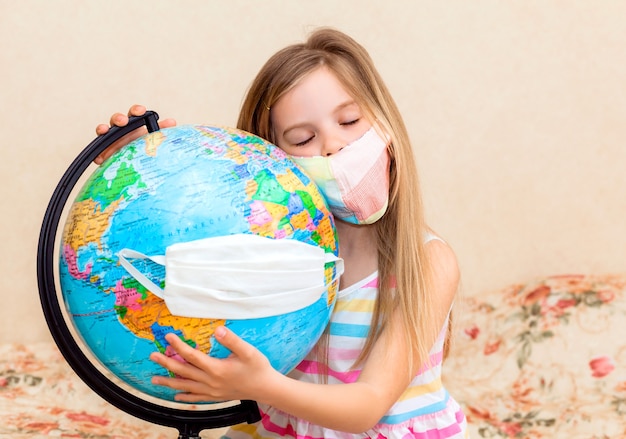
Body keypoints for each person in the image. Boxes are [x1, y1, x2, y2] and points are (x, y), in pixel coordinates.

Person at [95, 27, 468, 438]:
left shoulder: (428, 262)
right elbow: (172, 259)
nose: (332, 146)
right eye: (303, 138)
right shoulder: (271, 248)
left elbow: (367, 406)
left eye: (349, 120)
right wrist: (140, 170)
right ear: (270, 158)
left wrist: (261, 386)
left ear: (385, 124)